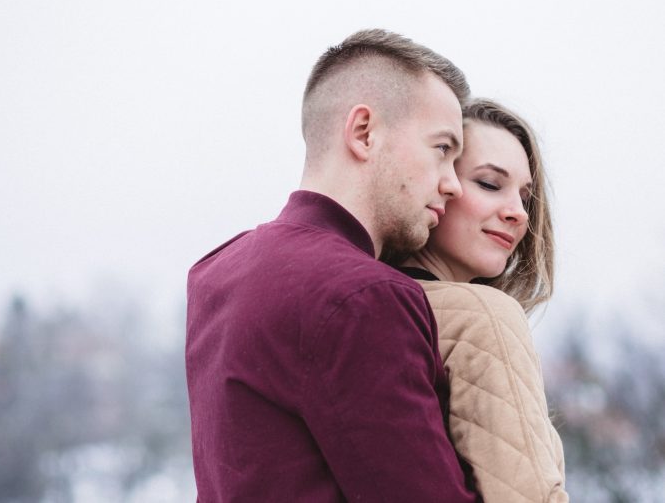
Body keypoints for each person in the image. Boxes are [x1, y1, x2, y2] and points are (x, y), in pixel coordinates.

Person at [186, 29, 480, 502]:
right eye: (442, 149)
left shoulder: (216, 270)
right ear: (364, 133)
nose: (453, 185)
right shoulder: (363, 296)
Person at [399, 98, 569, 502]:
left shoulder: (361, 301)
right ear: (438, 185)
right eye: (490, 184)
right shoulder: (484, 317)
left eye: (526, 197)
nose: (519, 214)